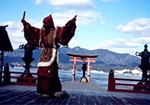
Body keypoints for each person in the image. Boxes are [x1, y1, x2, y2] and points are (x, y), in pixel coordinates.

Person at [21, 14, 77, 97]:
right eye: (45, 26)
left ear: (51, 26)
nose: (46, 28)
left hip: (52, 54)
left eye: (48, 26)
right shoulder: (41, 32)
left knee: (51, 72)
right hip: (44, 54)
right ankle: (42, 90)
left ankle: (52, 90)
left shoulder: (56, 31)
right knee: (41, 72)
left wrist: (71, 23)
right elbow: (32, 31)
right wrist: (26, 24)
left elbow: (65, 31)